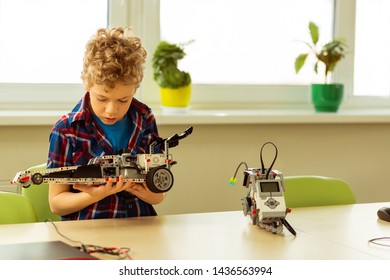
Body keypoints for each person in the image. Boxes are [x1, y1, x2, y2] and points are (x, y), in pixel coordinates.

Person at [47, 27, 165, 220]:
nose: (111, 110)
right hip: (88, 232)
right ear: (87, 83)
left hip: (139, 227)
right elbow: (56, 203)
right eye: (102, 99)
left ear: (135, 89)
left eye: (123, 100)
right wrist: (96, 194)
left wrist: (136, 188)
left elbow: (159, 195)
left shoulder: (145, 119)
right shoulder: (67, 130)